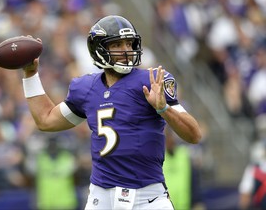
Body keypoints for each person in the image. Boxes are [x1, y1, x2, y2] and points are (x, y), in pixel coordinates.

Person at [21, 15, 201, 210]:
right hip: (101, 197)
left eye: (129, 44)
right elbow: (46, 120)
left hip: (147, 197)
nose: (126, 51)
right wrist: (31, 75)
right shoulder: (85, 88)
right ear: (99, 49)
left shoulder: (151, 81)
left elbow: (194, 135)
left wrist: (164, 109)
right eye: (117, 45)